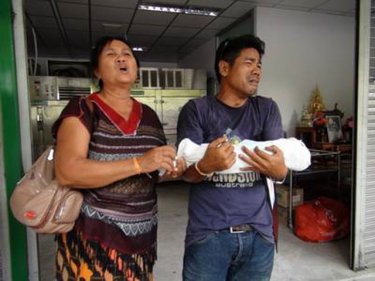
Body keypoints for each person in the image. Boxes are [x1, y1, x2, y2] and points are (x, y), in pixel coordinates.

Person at [52, 36, 186, 281]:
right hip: (93, 240)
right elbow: (67, 171)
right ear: (97, 70)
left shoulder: (150, 116)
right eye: (111, 54)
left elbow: (153, 172)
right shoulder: (83, 108)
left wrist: (172, 169)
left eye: (127, 54)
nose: (122, 58)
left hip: (142, 240)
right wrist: (137, 163)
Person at [176, 34, 288, 281]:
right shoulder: (197, 110)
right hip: (209, 235)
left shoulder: (266, 109)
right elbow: (186, 172)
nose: (257, 70)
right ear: (224, 68)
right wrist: (205, 166)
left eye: (259, 64)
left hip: (259, 235)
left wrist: (280, 171)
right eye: (249, 62)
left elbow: (278, 167)